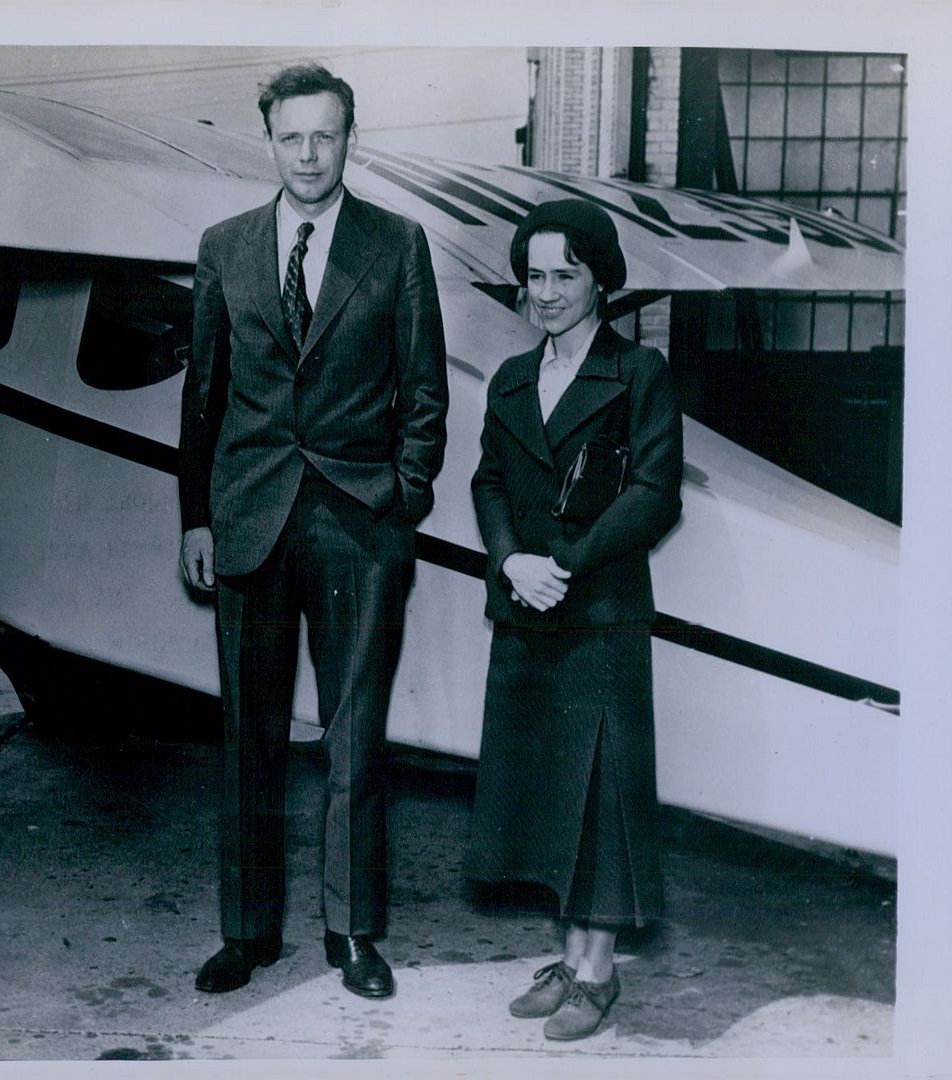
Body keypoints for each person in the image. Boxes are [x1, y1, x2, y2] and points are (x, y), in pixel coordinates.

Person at [177, 62, 448, 1000]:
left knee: (353, 740)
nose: (306, 154)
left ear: (349, 140)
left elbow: (425, 392)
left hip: (357, 526)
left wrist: (399, 498)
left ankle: (353, 933)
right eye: (290, 137)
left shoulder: (397, 245)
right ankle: (246, 934)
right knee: (245, 738)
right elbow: (201, 399)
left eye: (323, 136)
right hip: (249, 521)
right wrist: (197, 518)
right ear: (269, 142)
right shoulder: (224, 246)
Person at [466, 198, 683, 1040]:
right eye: (534, 275)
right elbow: (488, 481)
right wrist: (509, 558)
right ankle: (571, 953)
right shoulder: (513, 378)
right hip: (528, 607)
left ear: (600, 282)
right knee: (550, 795)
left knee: (597, 797)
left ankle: (597, 973)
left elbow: (653, 492)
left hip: (598, 611)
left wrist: (567, 561)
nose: (546, 291)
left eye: (565, 274)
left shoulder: (640, 374)